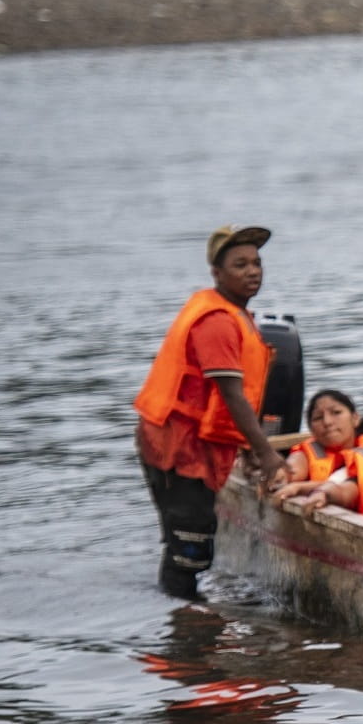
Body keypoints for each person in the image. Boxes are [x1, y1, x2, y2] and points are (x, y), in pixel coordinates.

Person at [133, 226, 288, 596]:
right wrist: (267, 455)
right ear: (217, 273)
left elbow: (230, 402)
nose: (253, 271)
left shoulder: (233, 312)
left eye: (257, 263)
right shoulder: (216, 321)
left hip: (190, 439)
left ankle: (184, 618)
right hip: (177, 444)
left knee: (191, 536)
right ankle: (183, 621)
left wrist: (247, 448)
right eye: (240, 265)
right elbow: (232, 396)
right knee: (188, 542)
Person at [274, 389, 363, 492]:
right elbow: (292, 471)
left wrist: (300, 487)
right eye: (318, 418)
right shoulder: (303, 455)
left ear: (355, 418)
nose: (327, 422)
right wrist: (280, 474)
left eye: (336, 412)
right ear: (311, 430)